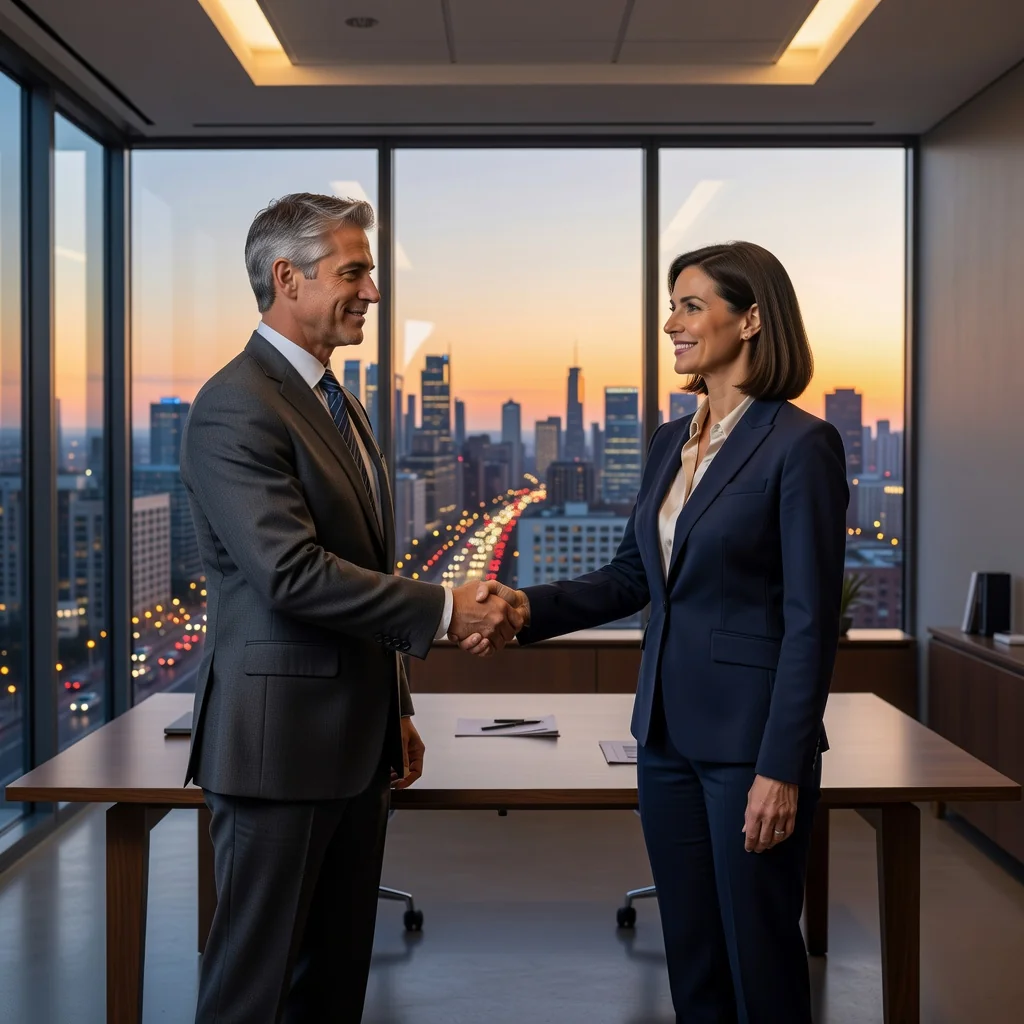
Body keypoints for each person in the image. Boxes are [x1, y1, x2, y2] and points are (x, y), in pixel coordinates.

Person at [464, 242, 848, 1023]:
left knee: (760, 957)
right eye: (671, 304)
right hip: (664, 740)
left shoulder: (801, 444)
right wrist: (524, 608)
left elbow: (812, 623)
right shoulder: (671, 441)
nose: (670, 322)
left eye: (691, 304)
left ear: (751, 320)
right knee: (693, 957)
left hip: (749, 748)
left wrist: (783, 766)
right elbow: (631, 580)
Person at [180, 193, 521, 1024]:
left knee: (332, 986)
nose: (372, 292)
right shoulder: (237, 404)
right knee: (252, 992)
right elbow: (291, 574)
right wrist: (446, 608)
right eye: (353, 272)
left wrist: (393, 705)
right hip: (279, 750)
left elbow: (360, 565)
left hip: (352, 742)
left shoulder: (335, 399)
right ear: (286, 277)